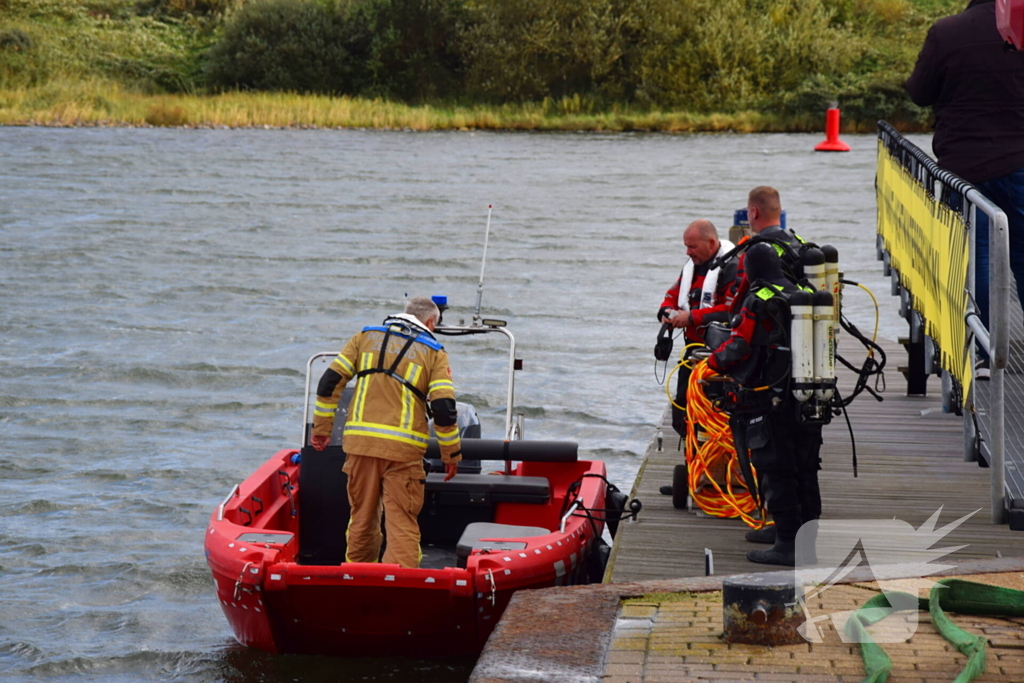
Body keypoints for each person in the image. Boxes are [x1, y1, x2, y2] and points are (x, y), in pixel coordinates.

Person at [310, 297, 463, 569]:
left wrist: (322, 430)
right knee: (402, 522)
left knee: (362, 519)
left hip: (360, 446)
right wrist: (451, 455)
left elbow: (329, 383)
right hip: (403, 453)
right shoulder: (434, 352)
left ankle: (358, 580)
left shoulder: (364, 337)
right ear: (430, 322)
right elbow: (443, 409)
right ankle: (399, 588)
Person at [906, 0, 1024, 334]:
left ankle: (983, 345)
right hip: (1019, 160)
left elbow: (919, 92)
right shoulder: (1020, 31)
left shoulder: (947, 31)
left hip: (962, 164)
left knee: (978, 255)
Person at [708, 243, 823, 566]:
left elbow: (740, 343)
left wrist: (713, 363)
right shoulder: (802, 290)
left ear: (752, 269)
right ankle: (803, 539)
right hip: (811, 395)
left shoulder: (759, 298)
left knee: (777, 468)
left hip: (773, 399)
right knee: (806, 468)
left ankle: (787, 542)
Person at [657, 219, 738, 437]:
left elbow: (732, 310)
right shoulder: (691, 267)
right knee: (682, 407)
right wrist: (669, 314)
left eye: (692, 247)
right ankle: (691, 454)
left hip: (721, 355)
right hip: (692, 351)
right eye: (686, 246)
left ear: (711, 243)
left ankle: (715, 457)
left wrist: (692, 317)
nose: (687, 252)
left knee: (713, 411)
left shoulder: (732, 267)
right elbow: (670, 297)